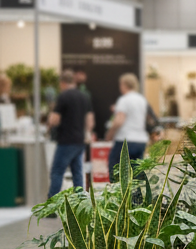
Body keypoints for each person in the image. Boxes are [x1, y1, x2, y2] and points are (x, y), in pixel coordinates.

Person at [47, 69, 93, 197]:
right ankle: (80, 203)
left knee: (57, 171)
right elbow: (89, 121)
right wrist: (86, 134)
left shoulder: (63, 96)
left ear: (62, 83)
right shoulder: (84, 96)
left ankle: (52, 205)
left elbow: (54, 120)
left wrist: (50, 122)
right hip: (80, 140)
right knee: (77, 173)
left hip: (66, 140)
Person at [104, 73, 149, 179]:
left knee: (115, 169)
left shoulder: (124, 100)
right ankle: (137, 195)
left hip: (125, 140)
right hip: (140, 140)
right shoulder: (141, 99)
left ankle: (119, 194)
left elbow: (119, 121)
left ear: (124, 85)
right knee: (136, 172)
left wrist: (109, 135)